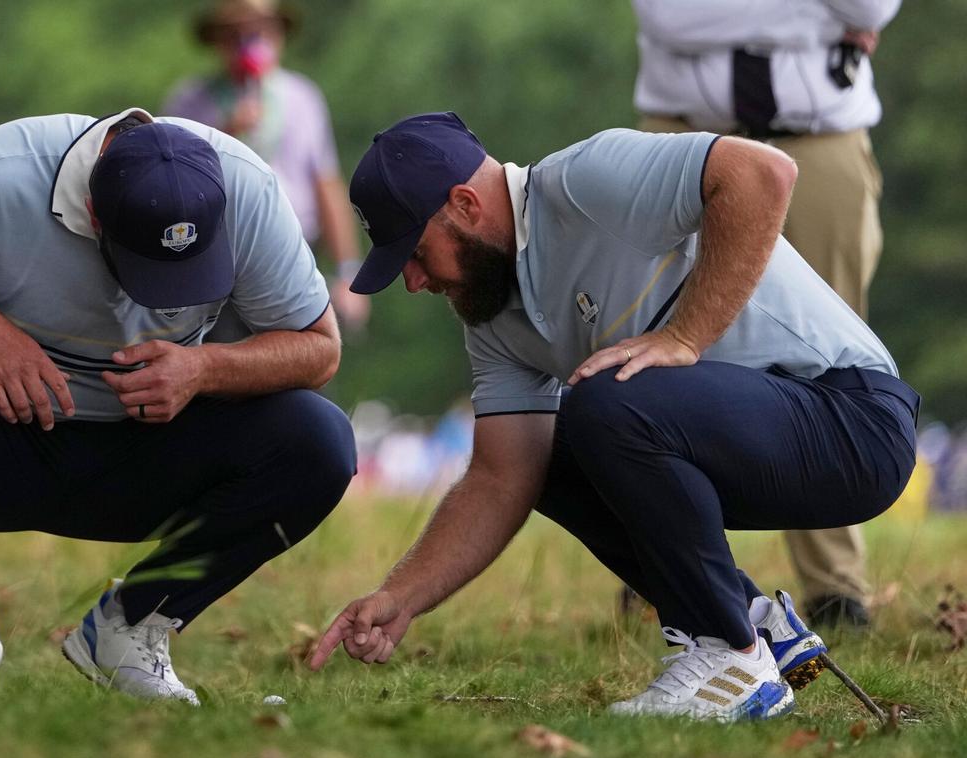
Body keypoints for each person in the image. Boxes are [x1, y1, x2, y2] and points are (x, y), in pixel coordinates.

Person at [309, 112, 918, 721]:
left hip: (855, 422)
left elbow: (763, 172)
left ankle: (728, 654)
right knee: (552, 446)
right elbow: (502, 476)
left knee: (602, 404)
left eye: (415, 254)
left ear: (466, 206)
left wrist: (685, 336)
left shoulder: (584, 180)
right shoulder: (493, 321)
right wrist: (401, 596)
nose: (413, 282)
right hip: (766, 434)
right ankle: (753, 625)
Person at [0, 109, 357, 701]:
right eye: (144, 267)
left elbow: (319, 350)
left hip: (151, 452)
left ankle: (130, 626)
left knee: (320, 441)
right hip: (6, 442)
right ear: (94, 214)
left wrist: (204, 368)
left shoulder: (249, 191)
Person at [632, 0, 903, 628]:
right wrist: (815, 20)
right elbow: (671, 19)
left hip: (821, 138)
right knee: (654, 346)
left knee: (835, 363)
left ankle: (836, 585)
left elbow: (870, 6)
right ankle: (657, 560)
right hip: (688, 136)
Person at [162, 0, 370, 338]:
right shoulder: (190, 101)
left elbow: (325, 183)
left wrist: (349, 272)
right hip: (221, 262)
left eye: (258, 31)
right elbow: (173, 184)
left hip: (295, 254)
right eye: (235, 34)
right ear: (217, 41)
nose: (248, 40)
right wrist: (226, 131)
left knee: (303, 355)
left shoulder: (302, 96)